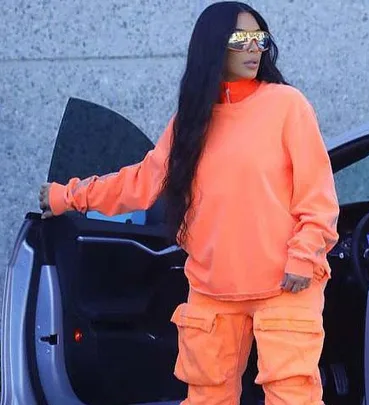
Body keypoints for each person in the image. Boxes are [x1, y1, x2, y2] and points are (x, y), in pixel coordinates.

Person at [39, 2, 340, 404]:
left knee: (293, 398)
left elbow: (317, 194)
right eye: (240, 40)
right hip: (212, 286)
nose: (254, 49)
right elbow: (143, 182)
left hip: (285, 283)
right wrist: (68, 196)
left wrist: (304, 258)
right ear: (213, 46)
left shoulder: (287, 105)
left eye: (259, 39)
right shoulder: (192, 120)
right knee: (206, 398)